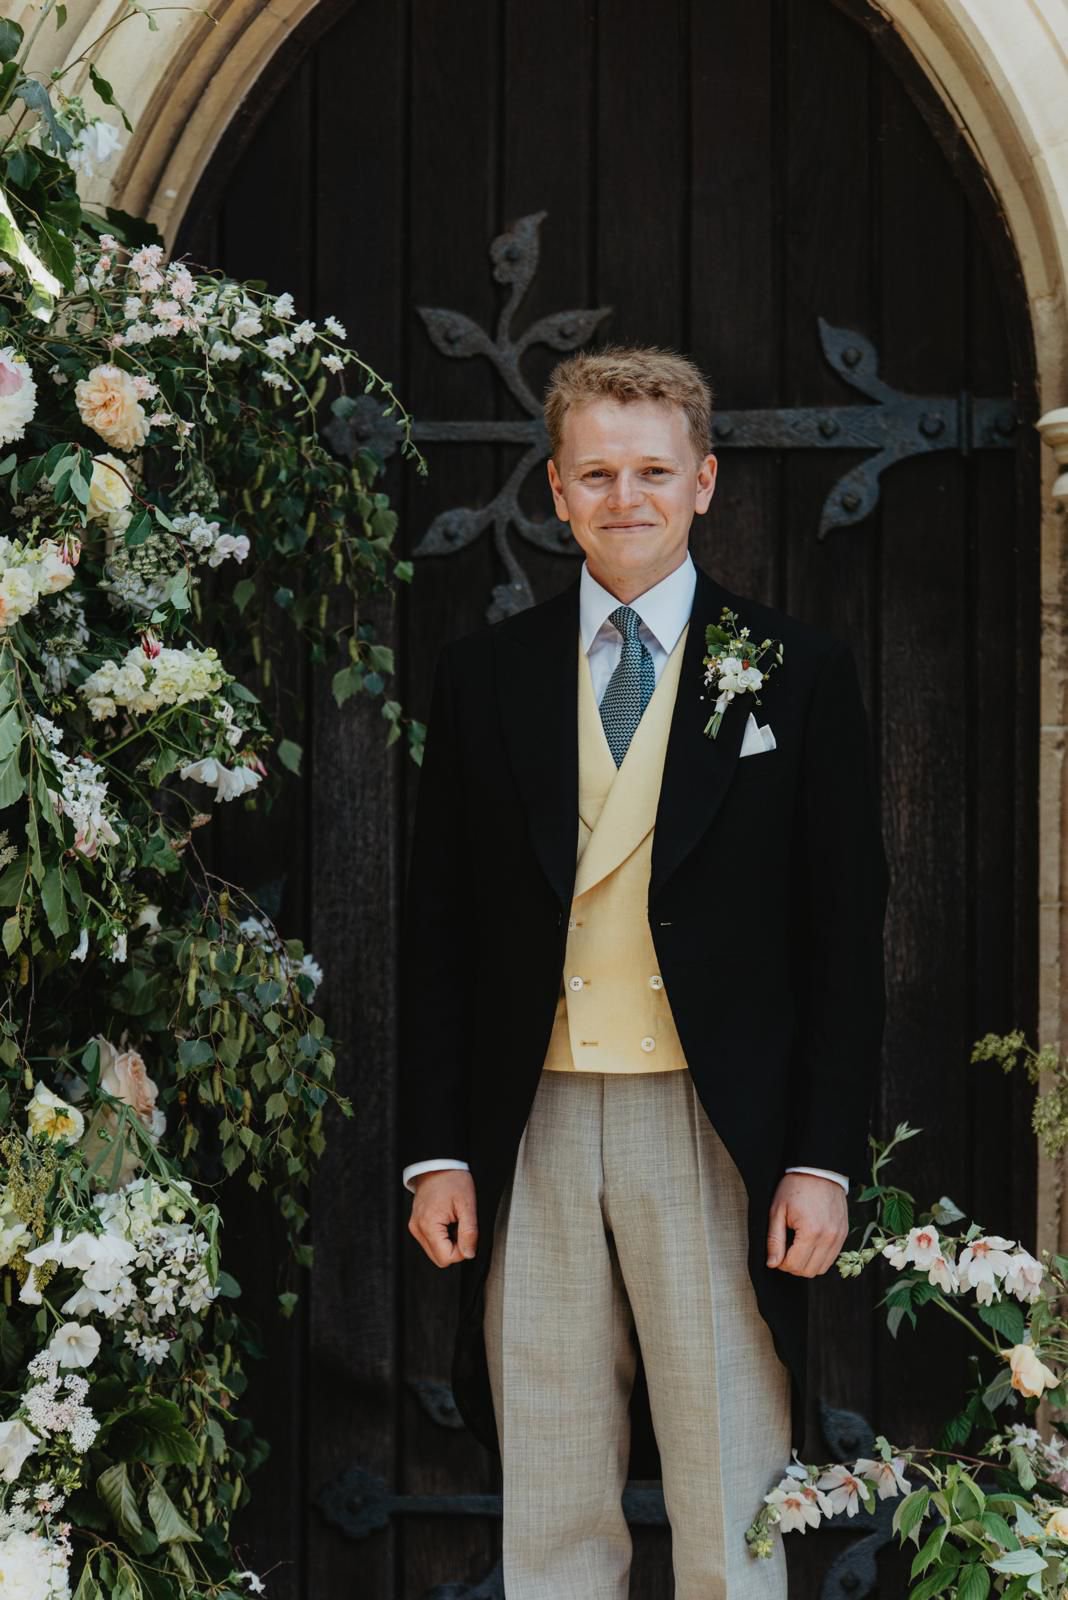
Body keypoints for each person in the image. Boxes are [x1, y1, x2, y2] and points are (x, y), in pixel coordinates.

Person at [399, 345, 889, 1599]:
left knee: (730, 1482)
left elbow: (843, 937)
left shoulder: (797, 671)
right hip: (537, 1117)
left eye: (655, 471)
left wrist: (822, 1158)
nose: (628, 497)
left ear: (704, 483)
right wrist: (437, 1148)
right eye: (598, 473)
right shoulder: (484, 675)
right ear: (557, 492)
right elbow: (440, 928)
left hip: (711, 1122)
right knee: (553, 1484)